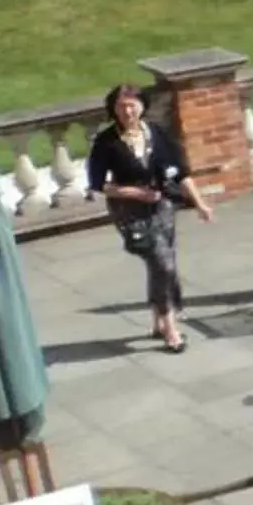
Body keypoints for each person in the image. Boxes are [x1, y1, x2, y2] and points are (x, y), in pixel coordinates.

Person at [85, 84, 214, 352]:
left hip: (162, 206)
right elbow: (99, 185)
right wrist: (134, 193)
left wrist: (200, 203)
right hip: (130, 212)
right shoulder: (106, 142)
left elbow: (180, 172)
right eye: (121, 106)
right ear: (113, 109)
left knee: (162, 263)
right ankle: (171, 329)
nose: (128, 111)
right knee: (163, 264)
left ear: (142, 106)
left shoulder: (155, 133)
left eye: (132, 105)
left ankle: (158, 321)